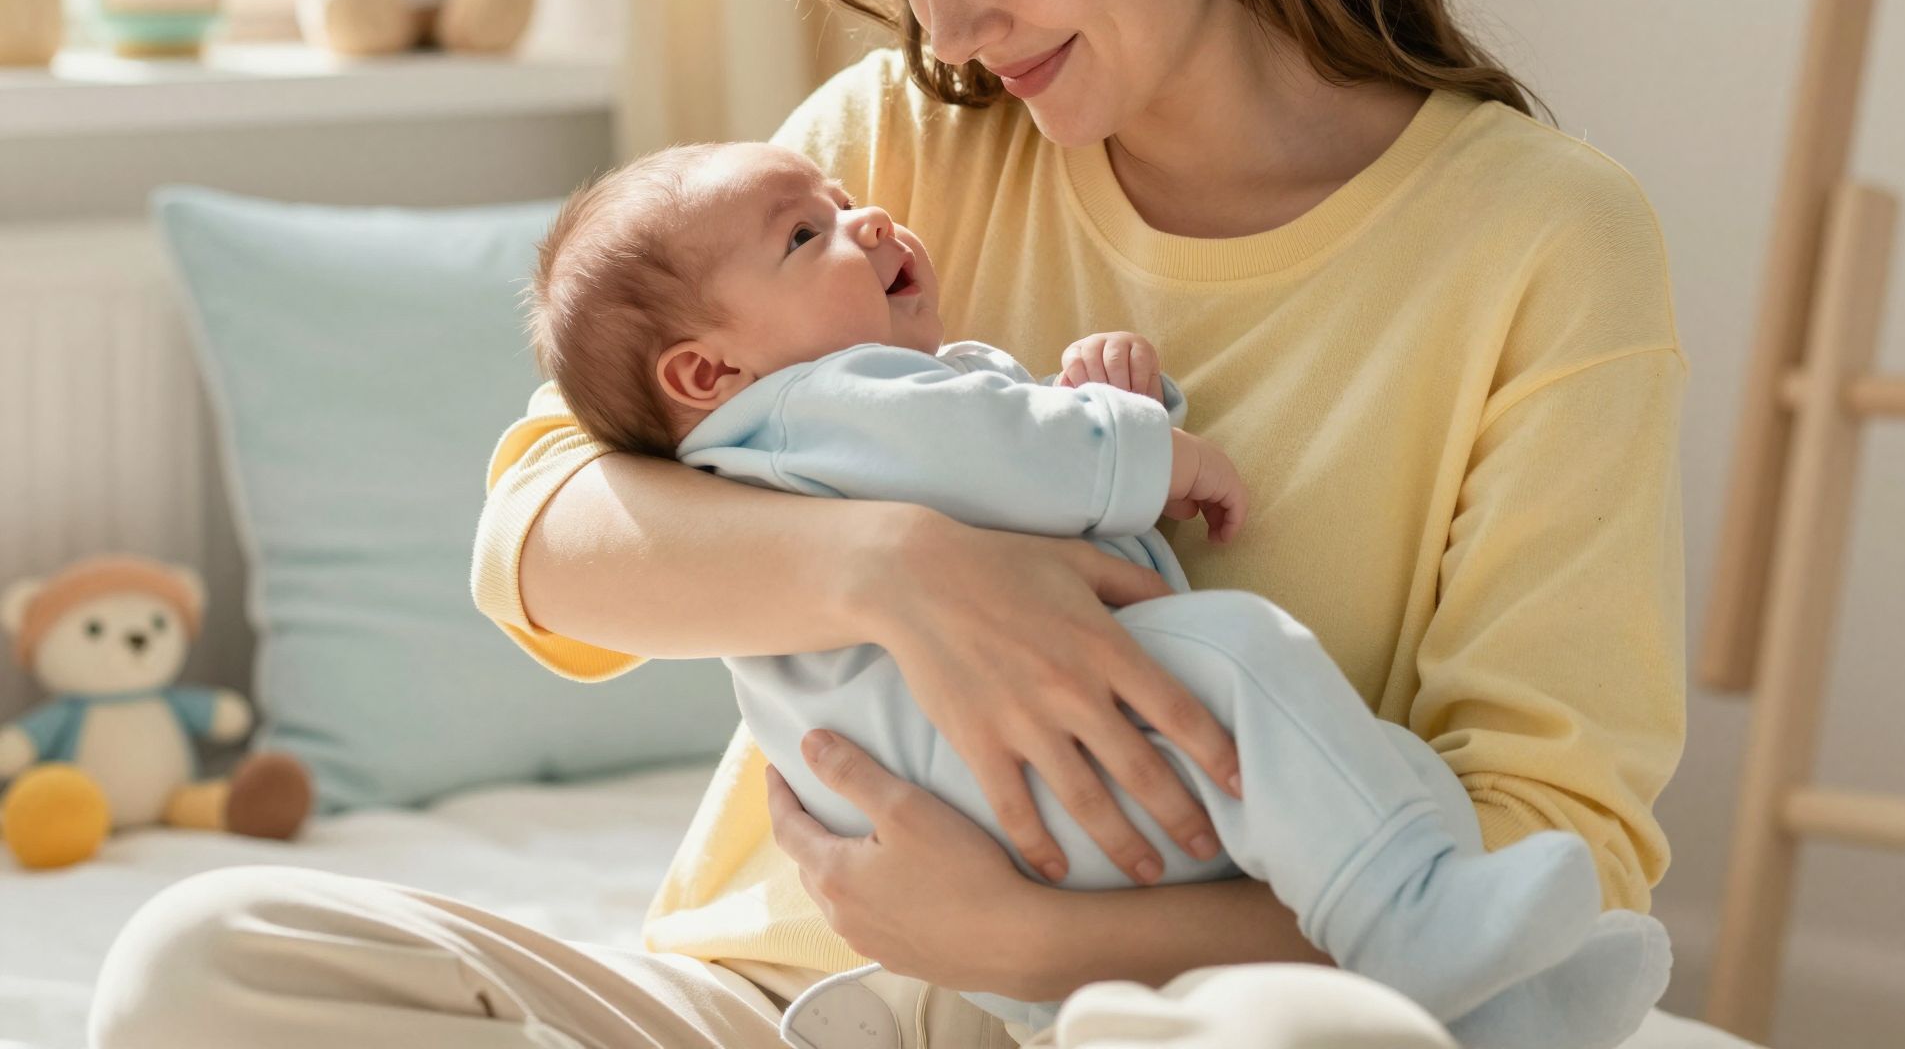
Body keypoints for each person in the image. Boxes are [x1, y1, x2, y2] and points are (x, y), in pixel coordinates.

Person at [87, 0, 1687, 1049]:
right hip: (775, 1004)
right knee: (211, 958)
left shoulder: (1538, 239)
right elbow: (539, 536)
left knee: (1306, 1036)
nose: (951, 27)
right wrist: (900, 569)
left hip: (1158, 1011)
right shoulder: (888, 153)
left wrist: (1026, 944)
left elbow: (1553, 841)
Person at [519, 138, 1669, 1046]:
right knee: (1244, 650)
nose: (865, 218)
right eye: (806, 232)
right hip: (1008, 783)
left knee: (1388, 776)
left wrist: (1102, 396)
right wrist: (1148, 449)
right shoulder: (811, 407)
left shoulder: (805, 429)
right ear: (705, 371)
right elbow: (1003, 449)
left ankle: (1496, 994)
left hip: (1025, 828)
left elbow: (995, 432)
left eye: (845, 200)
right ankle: (1413, 925)